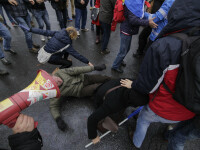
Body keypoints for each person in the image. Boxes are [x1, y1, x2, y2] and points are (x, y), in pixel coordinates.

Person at [120, 0, 200, 148]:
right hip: (190, 111)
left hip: (163, 107)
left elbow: (146, 87)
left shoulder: (165, 46)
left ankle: (136, 142)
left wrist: (134, 84)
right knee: (178, 133)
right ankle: (168, 132)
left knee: (144, 118)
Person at [49, 65, 111, 131]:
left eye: (56, 79)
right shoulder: (55, 92)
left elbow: (77, 69)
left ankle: (120, 81)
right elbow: (53, 106)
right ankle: (112, 90)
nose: (59, 81)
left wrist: (94, 68)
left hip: (84, 78)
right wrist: (58, 119)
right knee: (97, 87)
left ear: (53, 75)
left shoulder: (60, 72)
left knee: (103, 78)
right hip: (80, 90)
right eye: (57, 84)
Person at [87, 78, 149, 144]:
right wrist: (93, 136)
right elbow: (91, 119)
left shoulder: (131, 82)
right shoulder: (113, 104)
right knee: (111, 122)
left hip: (108, 87)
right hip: (101, 98)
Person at [111, 0, 158, 73]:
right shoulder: (133, 4)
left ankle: (120, 60)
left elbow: (140, 14)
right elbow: (133, 20)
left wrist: (150, 16)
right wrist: (147, 22)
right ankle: (115, 66)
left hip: (128, 30)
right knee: (123, 51)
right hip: (126, 31)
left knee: (126, 49)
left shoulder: (133, 3)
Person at [23, 26, 93, 68]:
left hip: (43, 52)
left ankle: (65, 59)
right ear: (72, 36)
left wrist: (31, 30)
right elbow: (77, 55)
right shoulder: (67, 44)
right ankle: (59, 71)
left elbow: (44, 32)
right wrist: (88, 62)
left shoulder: (58, 33)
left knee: (66, 49)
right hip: (49, 58)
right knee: (69, 63)